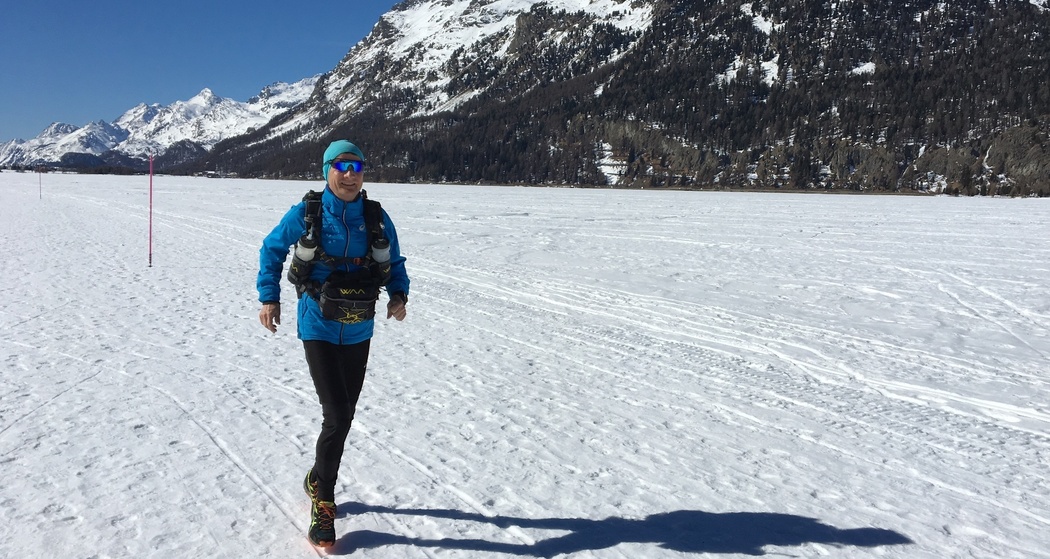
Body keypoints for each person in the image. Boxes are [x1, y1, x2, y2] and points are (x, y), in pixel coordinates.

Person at [256, 139, 409, 548]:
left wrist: (399, 294)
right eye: (341, 165)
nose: (349, 173)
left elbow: (394, 261)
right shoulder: (307, 213)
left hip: (360, 327)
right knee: (337, 414)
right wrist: (269, 297)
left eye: (356, 165)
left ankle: (315, 476)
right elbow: (271, 250)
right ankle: (324, 502)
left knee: (345, 414)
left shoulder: (375, 217)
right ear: (327, 170)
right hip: (318, 325)